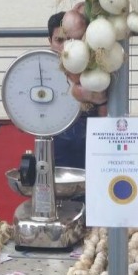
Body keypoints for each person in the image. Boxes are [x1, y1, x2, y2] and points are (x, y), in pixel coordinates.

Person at [47, 11, 106, 169]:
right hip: (54, 147)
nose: (66, 47)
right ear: (50, 41)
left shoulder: (95, 72)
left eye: (70, 40)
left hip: (92, 148)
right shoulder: (42, 73)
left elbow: (105, 118)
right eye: (59, 40)